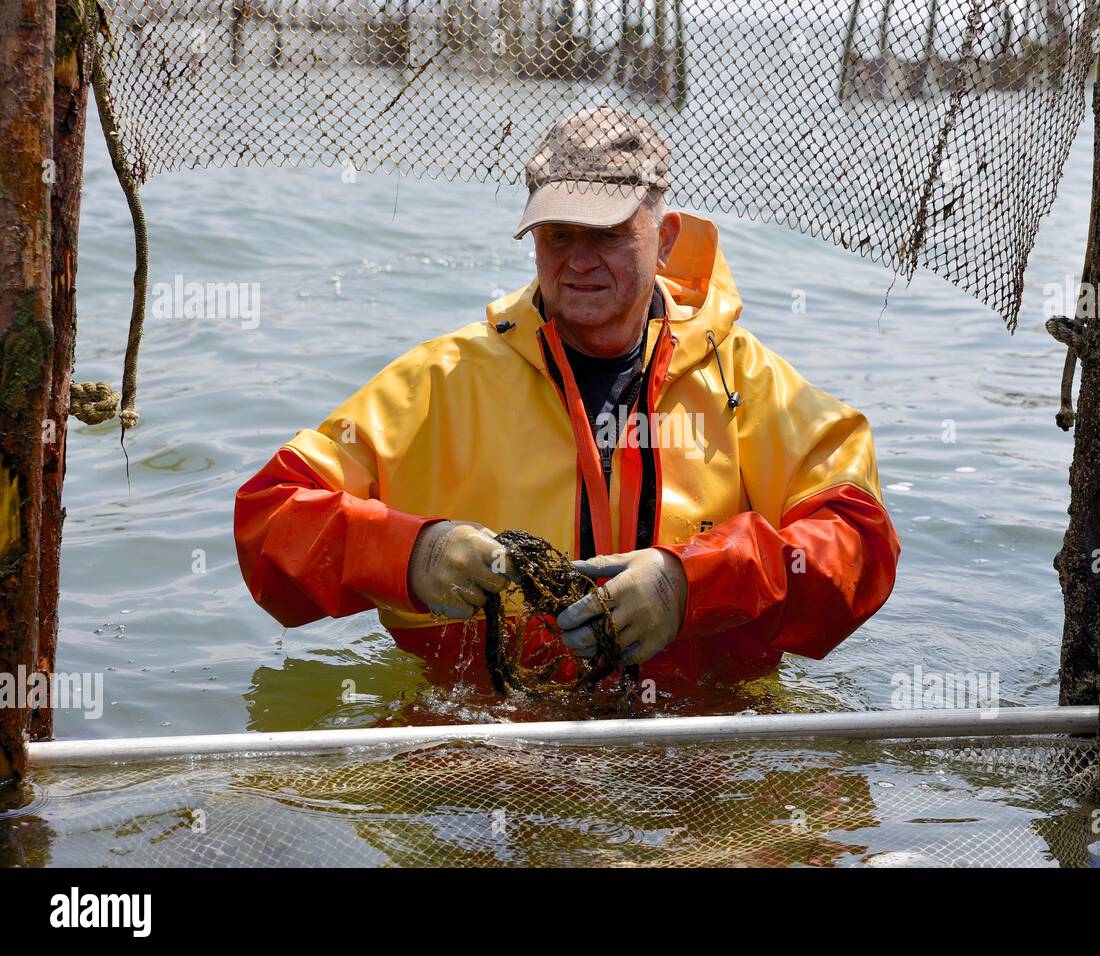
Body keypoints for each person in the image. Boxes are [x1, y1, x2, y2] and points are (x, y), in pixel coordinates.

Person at [233, 107, 900, 690]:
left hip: (704, 745)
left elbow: (860, 541)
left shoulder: (749, 383)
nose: (578, 260)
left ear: (664, 240)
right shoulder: (441, 382)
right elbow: (269, 521)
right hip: (493, 747)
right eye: (557, 235)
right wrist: (414, 555)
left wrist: (690, 585)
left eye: (607, 234)